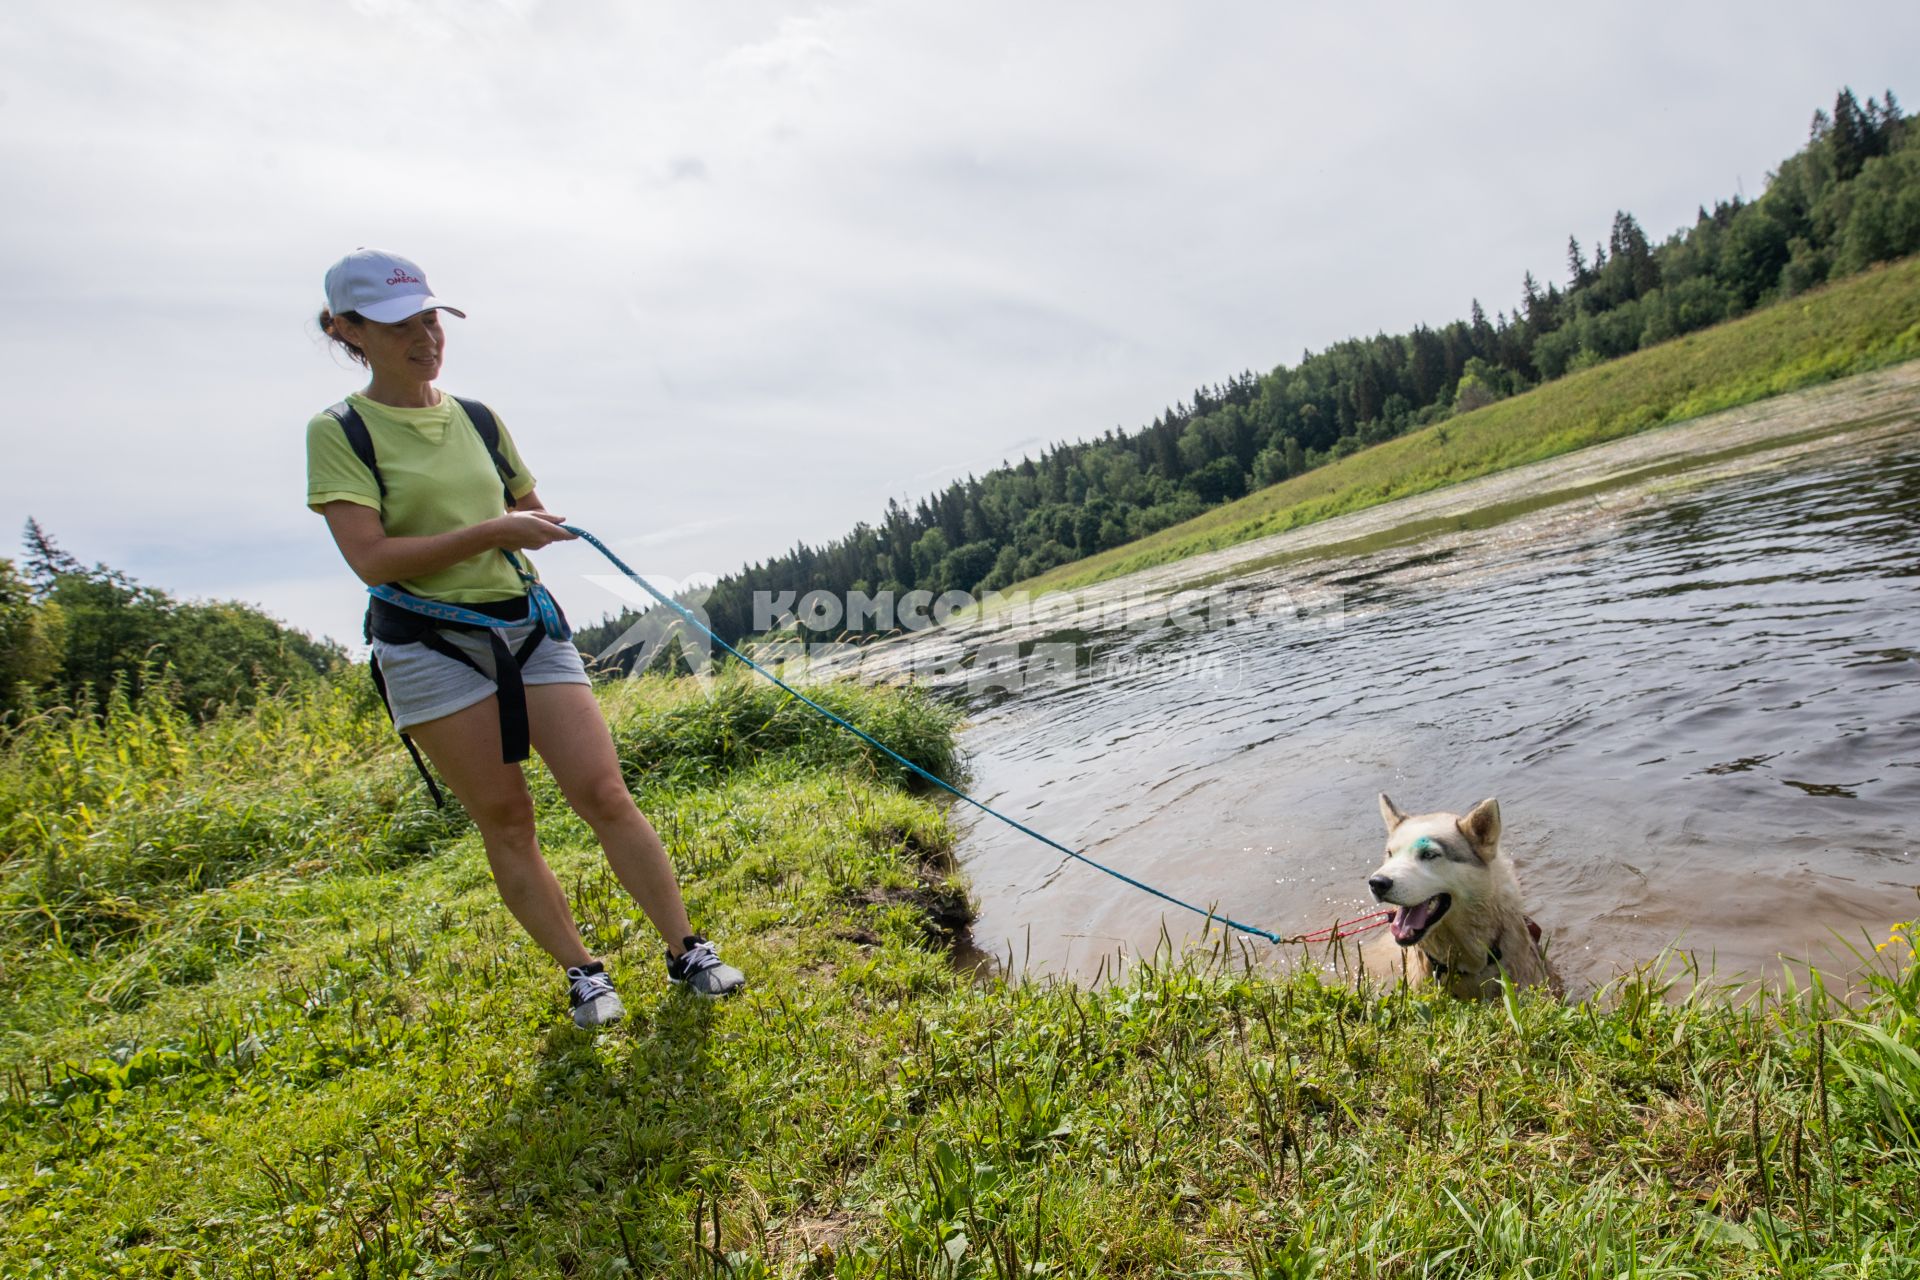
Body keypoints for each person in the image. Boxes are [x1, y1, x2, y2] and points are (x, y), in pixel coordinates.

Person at [305, 248, 743, 1027]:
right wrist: (493, 531)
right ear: (349, 330)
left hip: (528, 627)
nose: (426, 336)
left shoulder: (477, 417)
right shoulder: (340, 432)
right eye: (401, 323)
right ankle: (583, 973)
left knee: (605, 792)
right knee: (506, 819)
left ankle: (686, 950)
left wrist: (533, 525)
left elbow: (526, 508)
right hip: (428, 648)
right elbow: (370, 559)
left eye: (432, 318)